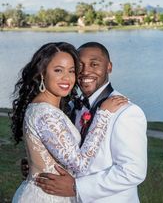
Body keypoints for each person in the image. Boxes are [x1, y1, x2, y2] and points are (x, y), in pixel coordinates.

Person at [11, 42, 127, 203]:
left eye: (72, 71)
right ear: (42, 73)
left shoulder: (52, 108)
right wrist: (103, 115)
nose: (67, 78)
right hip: (46, 196)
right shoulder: (46, 113)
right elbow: (79, 164)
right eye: (58, 70)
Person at [35, 42, 148, 203]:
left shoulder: (126, 112)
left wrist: (77, 187)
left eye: (94, 64)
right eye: (79, 66)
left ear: (109, 67)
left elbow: (132, 171)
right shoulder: (72, 106)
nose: (86, 71)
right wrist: (39, 163)